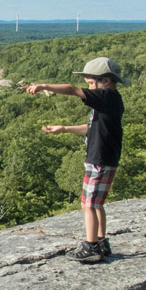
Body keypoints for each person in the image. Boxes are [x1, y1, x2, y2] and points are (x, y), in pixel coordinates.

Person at [21, 56, 127, 263]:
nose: (89, 88)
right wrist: (64, 129)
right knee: (96, 203)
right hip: (104, 157)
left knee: (87, 204)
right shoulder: (112, 100)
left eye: (90, 83)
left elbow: (71, 89)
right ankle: (101, 241)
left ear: (105, 80)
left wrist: (43, 86)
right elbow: (93, 128)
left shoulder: (105, 96)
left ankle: (91, 247)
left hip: (100, 158)